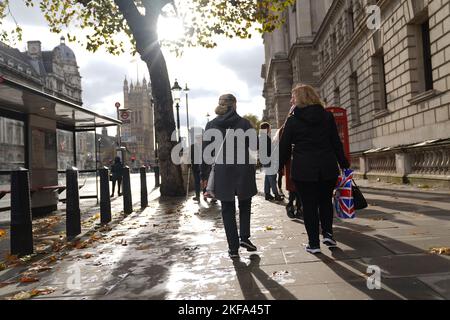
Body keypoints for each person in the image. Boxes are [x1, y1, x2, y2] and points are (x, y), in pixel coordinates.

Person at [279, 84, 350, 254]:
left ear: (301, 99)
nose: (291, 100)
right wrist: (344, 163)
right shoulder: (327, 116)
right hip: (327, 167)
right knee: (325, 202)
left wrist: (279, 167)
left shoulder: (293, 120)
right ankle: (328, 234)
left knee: (309, 206)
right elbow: (335, 142)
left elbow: (284, 147)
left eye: (293, 97)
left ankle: (314, 244)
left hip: (304, 170)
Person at [201, 94, 258, 259]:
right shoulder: (244, 123)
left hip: (222, 171)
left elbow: (206, 153)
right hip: (243, 170)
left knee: (227, 209)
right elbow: (254, 146)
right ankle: (245, 238)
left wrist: (204, 176)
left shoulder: (211, 125)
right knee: (245, 203)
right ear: (234, 105)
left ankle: (233, 248)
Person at [260, 122, 283, 202]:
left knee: (267, 178)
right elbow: (269, 150)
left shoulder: (262, 137)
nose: (270, 129)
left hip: (265, 161)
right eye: (269, 128)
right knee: (272, 178)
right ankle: (276, 194)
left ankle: (267, 194)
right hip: (269, 160)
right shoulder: (265, 138)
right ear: (266, 128)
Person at [191, 135, 203, 202]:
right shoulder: (193, 146)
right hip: (195, 166)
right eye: (197, 138)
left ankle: (205, 195)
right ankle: (197, 196)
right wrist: (189, 164)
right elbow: (190, 156)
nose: (199, 139)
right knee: (197, 182)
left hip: (204, 166)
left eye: (200, 138)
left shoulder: (205, 146)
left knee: (204, 181)